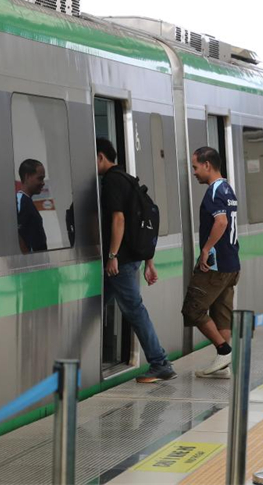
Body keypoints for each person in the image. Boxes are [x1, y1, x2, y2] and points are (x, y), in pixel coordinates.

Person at [97, 138, 176, 383]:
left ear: (100, 157)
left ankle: (159, 362)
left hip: (120, 261)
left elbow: (119, 220)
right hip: (132, 258)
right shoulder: (129, 179)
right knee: (97, 303)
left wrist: (112, 256)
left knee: (135, 309)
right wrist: (149, 262)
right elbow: (142, 223)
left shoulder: (111, 181)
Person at [182, 146, 240, 379]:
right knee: (221, 314)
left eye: (195, 167)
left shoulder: (214, 192)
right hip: (231, 263)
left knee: (192, 310)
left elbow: (221, 222)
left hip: (214, 266)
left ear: (207, 165)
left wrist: (205, 250)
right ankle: (223, 364)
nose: (194, 172)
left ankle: (223, 350)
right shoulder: (228, 189)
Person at [16, 159, 48, 253]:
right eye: (40, 178)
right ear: (27, 177)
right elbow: (16, 234)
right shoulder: (20, 201)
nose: (43, 183)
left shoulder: (27, 201)